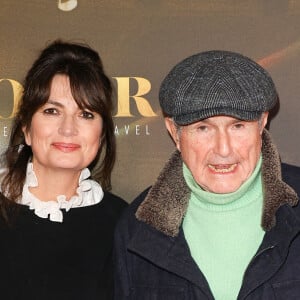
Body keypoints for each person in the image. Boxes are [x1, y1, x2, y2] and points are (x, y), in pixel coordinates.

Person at [114, 50, 300, 299]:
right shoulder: (138, 226)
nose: (223, 149)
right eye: (203, 128)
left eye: (238, 126)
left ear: (262, 122)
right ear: (174, 132)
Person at [0, 40, 127, 300]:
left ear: (101, 134)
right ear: (26, 128)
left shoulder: (123, 224)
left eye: (86, 114)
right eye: (51, 111)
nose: (68, 129)